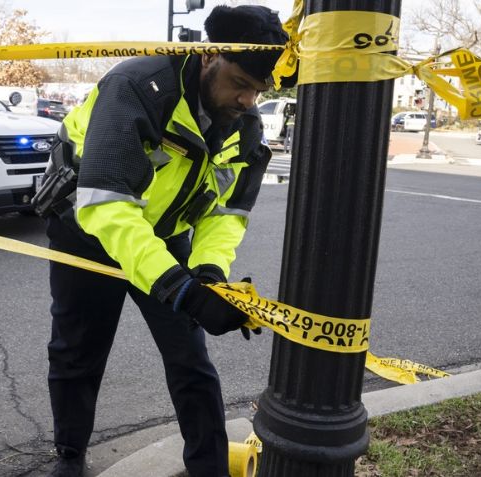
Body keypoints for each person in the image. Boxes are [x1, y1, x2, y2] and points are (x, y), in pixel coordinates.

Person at [40, 6, 297, 477]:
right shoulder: (137, 86)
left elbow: (225, 214)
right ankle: (70, 457)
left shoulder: (246, 126)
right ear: (208, 56)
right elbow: (106, 207)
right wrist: (179, 289)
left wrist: (209, 274)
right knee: (77, 351)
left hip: (164, 237)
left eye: (258, 91)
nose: (246, 99)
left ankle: (210, 468)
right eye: (239, 82)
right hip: (88, 230)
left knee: (190, 359)